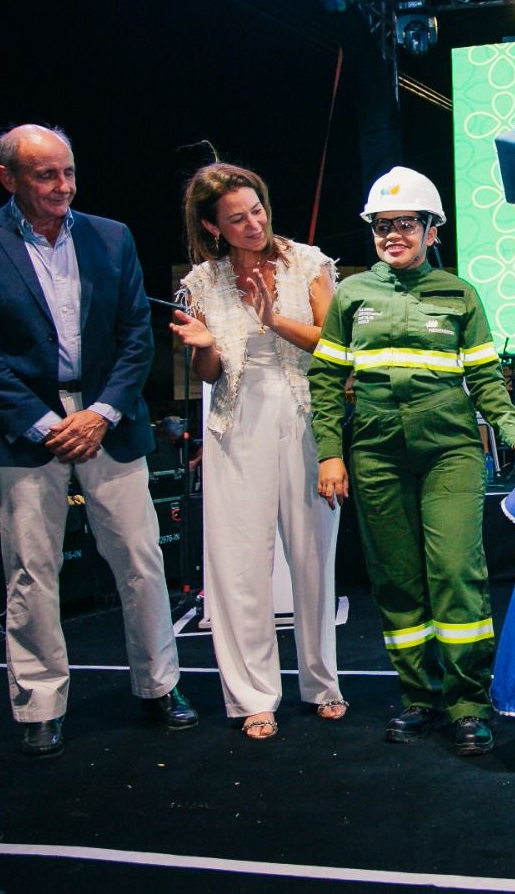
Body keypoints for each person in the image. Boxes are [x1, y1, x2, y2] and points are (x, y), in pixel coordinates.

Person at [0, 124, 198, 758]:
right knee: (32, 573)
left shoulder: (112, 236)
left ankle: (159, 687)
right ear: (7, 178)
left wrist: (101, 413)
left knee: (141, 560)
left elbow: (137, 334)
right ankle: (39, 706)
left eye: (69, 172)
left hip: (110, 418)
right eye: (46, 175)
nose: (63, 186)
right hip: (25, 429)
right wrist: (45, 423)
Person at [309, 167, 515, 756]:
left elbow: (487, 379)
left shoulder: (460, 294)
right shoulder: (352, 294)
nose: (392, 234)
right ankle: (419, 697)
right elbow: (325, 380)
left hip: (450, 450)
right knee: (396, 580)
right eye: (382, 225)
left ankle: (468, 702)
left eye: (405, 223)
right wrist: (330, 454)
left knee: (455, 573)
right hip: (375, 452)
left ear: (432, 230)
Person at [170, 162, 344, 741]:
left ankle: (322, 684)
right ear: (212, 226)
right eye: (237, 218)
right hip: (234, 425)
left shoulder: (308, 262)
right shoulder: (202, 281)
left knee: (312, 558)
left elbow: (334, 346)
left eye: (257, 209)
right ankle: (252, 696)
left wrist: (273, 319)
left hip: (303, 417)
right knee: (239, 565)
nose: (253, 223)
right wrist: (203, 346)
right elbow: (209, 371)